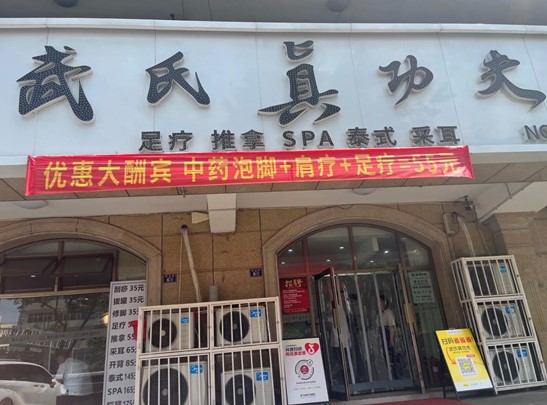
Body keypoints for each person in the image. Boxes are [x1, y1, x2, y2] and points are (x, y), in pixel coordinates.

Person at [378, 294, 400, 379]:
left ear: (384, 302)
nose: (378, 304)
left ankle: (396, 376)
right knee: (387, 358)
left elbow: (392, 326)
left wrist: (391, 339)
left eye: (380, 302)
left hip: (389, 337)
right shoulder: (380, 314)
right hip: (383, 338)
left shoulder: (388, 313)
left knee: (393, 358)